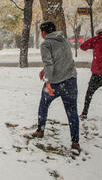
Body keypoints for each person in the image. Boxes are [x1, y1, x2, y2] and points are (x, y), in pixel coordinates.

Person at [31, 21, 81, 154]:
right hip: (70, 80)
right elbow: (62, 59)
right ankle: (75, 142)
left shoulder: (46, 44)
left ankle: (40, 130)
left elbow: (49, 63)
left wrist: (48, 82)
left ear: (44, 32)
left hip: (54, 83)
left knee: (44, 104)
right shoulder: (64, 40)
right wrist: (45, 70)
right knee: (72, 111)